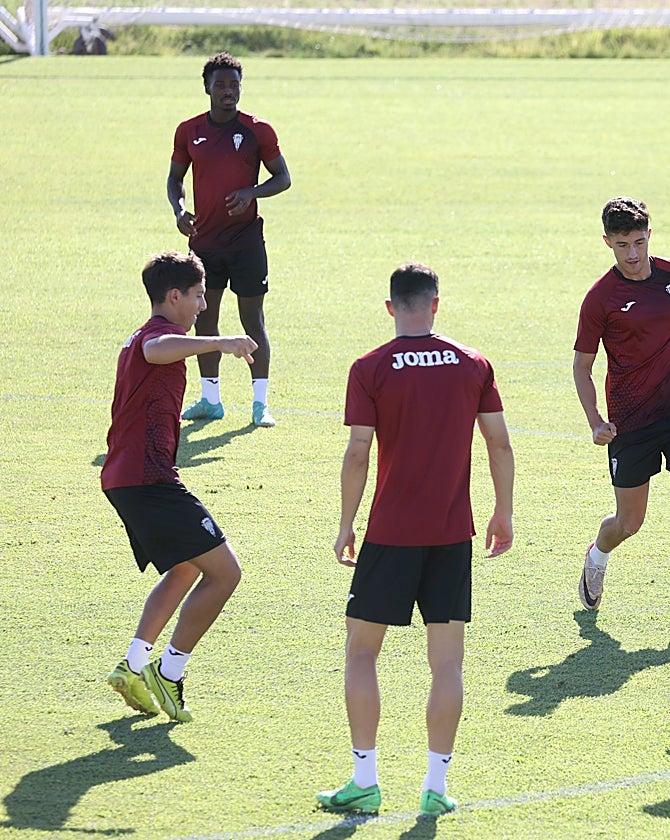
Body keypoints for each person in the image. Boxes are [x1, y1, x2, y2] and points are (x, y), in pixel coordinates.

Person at [318, 263, 514, 817]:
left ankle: (364, 780)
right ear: (435, 304)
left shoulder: (370, 367)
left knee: (361, 653)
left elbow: (358, 451)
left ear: (389, 308)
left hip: (390, 534)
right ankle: (436, 787)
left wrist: (345, 523)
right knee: (447, 664)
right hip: (452, 535)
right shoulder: (472, 363)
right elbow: (499, 443)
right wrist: (503, 511)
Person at [102, 251, 255, 723]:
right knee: (226, 572)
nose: (203, 303)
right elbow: (157, 350)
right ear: (173, 296)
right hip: (148, 481)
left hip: (131, 478)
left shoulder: (150, 336)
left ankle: (132, 666)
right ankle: (168, 675)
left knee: (188, 567)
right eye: (198, 294)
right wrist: (224, 341)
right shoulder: (154, 338)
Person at [573, 197, 670, 634]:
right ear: (608, 243)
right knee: (629, 522)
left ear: (650, 235)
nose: (633, 254)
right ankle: (598, 554)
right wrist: (595, 421)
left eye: (639, 242)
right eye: (622, 245)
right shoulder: (601, 299)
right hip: (630, 421)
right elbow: (582, 366)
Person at [167, 51, 292, 428]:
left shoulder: (258, 130)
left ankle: (260, 404)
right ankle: (210, 400)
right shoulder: (188, 131)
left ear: (241, 88)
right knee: (204, 319)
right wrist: (179, 210)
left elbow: (283, 178)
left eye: (233, 84)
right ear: (206, 87)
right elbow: (175, 180)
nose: (227, 91)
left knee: (252, 319)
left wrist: (251, 193)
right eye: (220, 84)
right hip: (204, 243)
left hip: (247, 243)